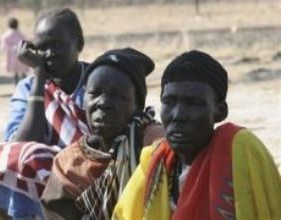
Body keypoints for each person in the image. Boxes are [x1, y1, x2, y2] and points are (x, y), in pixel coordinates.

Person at [113, 50, 281, 220]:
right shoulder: (154, 161)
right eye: (169, 102)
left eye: (193, 103)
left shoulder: (240, 151)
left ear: (220, 111)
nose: (178, 115)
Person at [0, 8, 89, 219]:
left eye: (57, 44)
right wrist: (38, 77)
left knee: (39, 159)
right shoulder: (29, 87)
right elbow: (21, 145)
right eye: (42, 48)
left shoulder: (96, 80)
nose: (50, 53)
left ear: (79, 44)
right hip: (43, 177)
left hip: (89, 174)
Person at [41, 48, 164, 220]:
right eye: (94, 93)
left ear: (138, 105)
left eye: (118, 95)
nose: (103, 103)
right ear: (83, 100)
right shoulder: (68, 164)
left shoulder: (154, 144)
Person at [0, 17, 29, 85]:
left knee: (15, 73)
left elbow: (3, 47)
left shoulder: (6, 35)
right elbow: (25, 44)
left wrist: (11, 49)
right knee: (23, 73)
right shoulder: (21, 34)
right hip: (21, 56)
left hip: (12, 57)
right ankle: (26, 86)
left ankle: (17, 87)